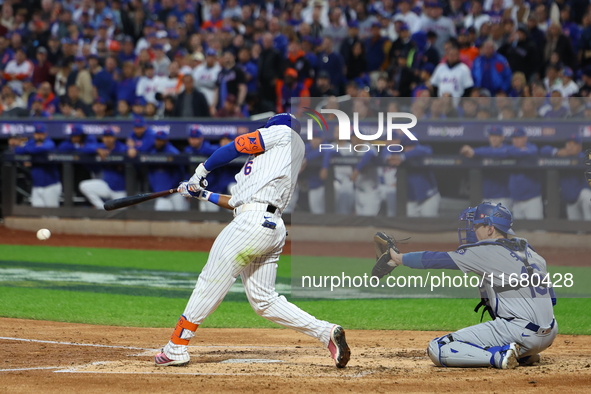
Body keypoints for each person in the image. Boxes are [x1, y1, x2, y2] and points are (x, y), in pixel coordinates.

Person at [155, 113, 350, 368]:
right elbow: (238, 203)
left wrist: (200, 171)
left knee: (210, 281)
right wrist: (200, 192)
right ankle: (326, 332)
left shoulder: (283, 133)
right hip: (270, 227)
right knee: (264, 300)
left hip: (251, 226)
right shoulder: (268, 163)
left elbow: (234, 146)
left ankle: (176, 347)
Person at [372, 202, 557, 369]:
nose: (473, 230)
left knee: (438, 347)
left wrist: (397, 258)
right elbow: (552, 299)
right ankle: (525, 355)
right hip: (549, 334)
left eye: (476, 225)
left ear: (490, 229)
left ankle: (498, 357)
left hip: (521, 333)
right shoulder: (528, 249)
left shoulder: (485, 251)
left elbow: (436, 259)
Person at [541, 134, 591, 220]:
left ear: (579, 147)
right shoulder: (561, 156)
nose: (571, 147)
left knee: (587, 196)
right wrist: (556, 152)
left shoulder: (583, 157)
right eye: (569, 144)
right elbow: (543, 150)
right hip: (570, 199)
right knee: (577, 229)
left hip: (582, 196)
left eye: (574, 145)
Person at [460, 125, 511, 208]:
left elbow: (499, 153)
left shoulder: (507, 149)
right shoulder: (484, 150)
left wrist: (474, 152)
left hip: (503, 197)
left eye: (497, 136)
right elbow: (473, 151)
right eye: (492, 136)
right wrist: (467, 150)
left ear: (502, 137)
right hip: (486, 197)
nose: (494, 139)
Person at [12, 123, 62, 207]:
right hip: (36, 186)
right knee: (37, 216)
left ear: (45, 134)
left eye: (41, 134)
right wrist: (32, 149)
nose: (39, 136)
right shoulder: (31, 142)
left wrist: (28, 149)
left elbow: (44, 148)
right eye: (37, 133)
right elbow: (17, 150)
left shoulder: (50, 143)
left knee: (52, 216)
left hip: (51, 186)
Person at [390, 136, 440, 217]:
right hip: (411, 200)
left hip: (428, 198)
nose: (410, 149)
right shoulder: (399, 156)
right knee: (409, 228)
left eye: (412, 146)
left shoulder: (422, 151)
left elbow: (426, 150)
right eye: (407, 146)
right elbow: (387, 153)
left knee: (429, 227)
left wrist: (403, 157)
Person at [79, 128, 127, 209]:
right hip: (107, 186)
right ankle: (102, 208)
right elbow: (84, 149)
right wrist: (96, 149)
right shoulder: (101, 146)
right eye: (105, 137)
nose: (107, 139)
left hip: (121, 190)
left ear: (114, 138)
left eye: (110, 137)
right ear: (102, 138)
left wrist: (111, 155)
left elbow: (128, 150)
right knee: (84, 186)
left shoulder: (121, 148)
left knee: (122, 214)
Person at [147, 131, 189, 211]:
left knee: (181, 218)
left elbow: (182, 172)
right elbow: (150, 173)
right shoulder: (152, 152)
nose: (158, 142)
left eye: (161, 140)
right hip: (162, 194)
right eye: (157, 139)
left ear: (166, 140)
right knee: (160, 218)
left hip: (176, 192)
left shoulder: (173, 152)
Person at [507, 127, 543, 219]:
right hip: (516, 201)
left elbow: (532, 151)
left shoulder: (532, 148)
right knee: (520, 232)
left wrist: (516, 152)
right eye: (514, 138)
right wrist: (517, 152)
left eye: (519, 137)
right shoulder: (511, 149)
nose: (516, 140)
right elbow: (505, 151)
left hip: (532, 200)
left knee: (538, 231)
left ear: (525, 138)